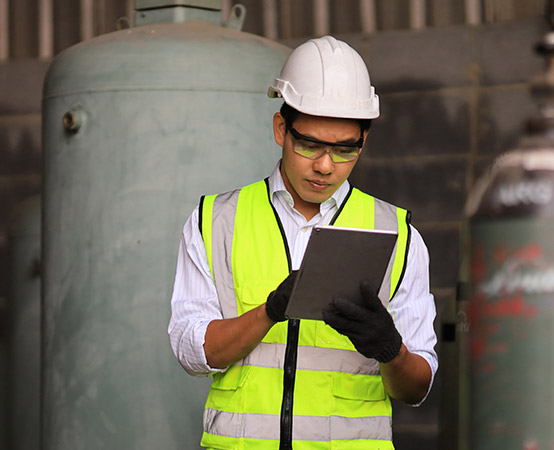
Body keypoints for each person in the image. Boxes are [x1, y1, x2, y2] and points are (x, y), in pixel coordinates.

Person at [168, 35, 438, 449]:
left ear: (364, 141)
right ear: (281, 129)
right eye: (309, 144)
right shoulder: (215, 221)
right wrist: (271, 312)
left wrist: (391, 350)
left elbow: (416, 388)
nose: (325, 165)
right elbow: (192, 352)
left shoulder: (397, 234)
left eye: (345, 150)